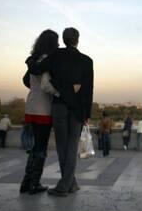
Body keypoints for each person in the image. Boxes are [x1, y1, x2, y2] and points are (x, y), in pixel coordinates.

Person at [29, 27, 94, 197]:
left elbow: (36, 69)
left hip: (59, 106)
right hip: (78, 109)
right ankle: (70, 183)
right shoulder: (87, 61)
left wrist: (30, 60)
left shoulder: (56, 56)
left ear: (64, 40)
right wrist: (87, 114)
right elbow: (88, 90)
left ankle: (64, 186)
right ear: (77, 39)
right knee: (72, 147)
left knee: (62, 146)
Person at [19, 29, 60, 194]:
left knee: (34, 148)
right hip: (43, 110)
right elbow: (46, 85)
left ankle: (26, 182)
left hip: (31, 106)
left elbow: (26, 81)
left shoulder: (34, 60)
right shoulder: (46, 61)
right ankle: (34, 184)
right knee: (41, 148)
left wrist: (35, 92)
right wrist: (59, 93)